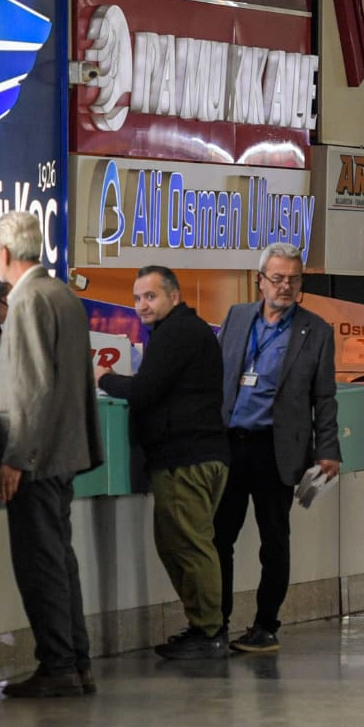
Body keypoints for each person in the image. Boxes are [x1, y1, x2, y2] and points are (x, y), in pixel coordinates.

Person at [0, 211, 104, 698]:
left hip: (37, 458)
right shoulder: (61, 294)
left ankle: (57, 664)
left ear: (4, 254)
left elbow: (32, 386)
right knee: (59, 560)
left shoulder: (29, 300)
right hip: (62, 453)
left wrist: (17, 456)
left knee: (40, 564)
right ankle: (74, 662)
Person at [97, 266, 230, 660]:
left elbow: (144, 390)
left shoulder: (176, 334)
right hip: (197, 455)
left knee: (189, 546)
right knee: (180, 544)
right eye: (137, 298)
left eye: (150, 296)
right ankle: (205, 626)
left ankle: (208, 632)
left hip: (185, 460)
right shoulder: (186, 332)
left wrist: (104, 378)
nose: (142, 305)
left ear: (174, 296)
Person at [215, 242, 340, 655]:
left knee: (274, 540)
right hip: (231, 444)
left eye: (293, 279)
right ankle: (216, 622)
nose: (285, 286)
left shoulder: (316, 331)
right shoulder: (236, 318)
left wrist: (329, 449)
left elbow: (324, 398)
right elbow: (219, 377)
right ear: (260, 280)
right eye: (277, 278)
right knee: (218, 537)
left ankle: (266, 625)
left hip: (277, 449)